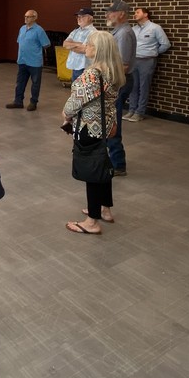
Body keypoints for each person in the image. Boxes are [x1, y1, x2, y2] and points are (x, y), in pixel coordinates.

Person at [62, 31, 124, 236]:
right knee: (102, 164)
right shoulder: (113, 71)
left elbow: (74, 103)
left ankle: (92, 221)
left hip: (89, 127)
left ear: (98, 50)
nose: (85, 47)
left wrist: (65, 114)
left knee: (92, 172)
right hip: (105, 125)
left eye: (89, 44)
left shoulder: (92, 74)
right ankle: (105, 208)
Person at [104, 2, 135, 176]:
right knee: (109, 121)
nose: (107, 15)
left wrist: (109, 83)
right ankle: (111, 160)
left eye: (111, 12)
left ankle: (118, 165)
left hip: (118, 82)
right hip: (115, 81)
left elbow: (123, 66)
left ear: (121, 14)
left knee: (112, 122)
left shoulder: (124, 34)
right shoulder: (117, 32)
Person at [126, 7, 171, 122]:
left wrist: (153, 53)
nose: (135, 14)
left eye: (138, 12)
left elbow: (165, 44)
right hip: (134, 60)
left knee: (144, 86)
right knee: (133, 86)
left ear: (145, 14)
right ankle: (131, 110)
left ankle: (139, 112)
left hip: (147, 61)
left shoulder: (155, 28)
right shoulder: (133, 29)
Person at [6, 10, 50, 111]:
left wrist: (35, 50)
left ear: (34, 18)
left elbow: (46, 44)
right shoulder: (22, 29)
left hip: (34, 62)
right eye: (25, 16)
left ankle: (33, 103)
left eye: (28, 17)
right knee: (20, 83)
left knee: (35, 84)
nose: (26, 18)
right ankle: (18, 102)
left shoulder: (39, 30)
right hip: (22, 61)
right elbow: (20, 42)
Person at [62, 8, 97, 80]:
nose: (79, 19)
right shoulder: (76, 31)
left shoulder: (93, 32)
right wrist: (78, 44)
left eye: (82, 16)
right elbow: (65, 44)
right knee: (75, 87)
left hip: (85, 68)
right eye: (78, 17)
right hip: (75, 67)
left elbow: (85, 49)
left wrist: (71, 45)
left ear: (90, 18)